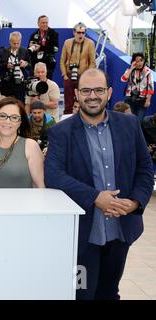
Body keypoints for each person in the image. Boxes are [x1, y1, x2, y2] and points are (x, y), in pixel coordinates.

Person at [44, 68, 154, 300]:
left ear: (109, 92)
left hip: (121, 230)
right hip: (82, 235)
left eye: (98, 90)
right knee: (81, 294)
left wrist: (134, 202)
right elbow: (53, 175)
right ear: (77, 93)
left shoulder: (130, 125)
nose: (92, 95)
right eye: (86, 90)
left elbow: (144, 169)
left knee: (109, 293)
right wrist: (96, 197)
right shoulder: (60, 132)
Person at [0, 97, 44, 188]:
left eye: (14, 117)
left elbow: (40, 186)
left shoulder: (30, 146)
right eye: (2, 116)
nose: (7, 121)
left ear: (20, 122)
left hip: (23, 202)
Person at [60, 22, 96, 114]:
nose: (81, 35)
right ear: (74, 32)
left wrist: (86, 76)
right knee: (68, 103)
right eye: (79, 32)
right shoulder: (67, 42)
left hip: (83, 77)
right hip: (68, 76)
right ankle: (67, 120)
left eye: (83, 33)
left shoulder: (90, 43)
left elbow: (92, 62)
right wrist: (64, 75)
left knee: (83, 101)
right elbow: (62, 60)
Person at [0, 31, 31, 102]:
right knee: (5, 102)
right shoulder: (2, 51)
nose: (16, 45)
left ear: (20, 41)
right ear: (10, 41)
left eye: (18, 43)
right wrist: (6, 65)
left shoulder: (25, 51)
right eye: (14, 43)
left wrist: (25, 64)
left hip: (20, 82)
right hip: (6, 82)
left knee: (20, 103)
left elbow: (31, 66)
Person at [121, 52, 154, 123]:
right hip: (130, 99)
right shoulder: (129, 70)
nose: (140, 63)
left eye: (141, 60)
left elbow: (150, 87)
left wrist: (148, 100)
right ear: (133, 62)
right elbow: (123, 79)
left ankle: (137, 133)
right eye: (137, 61)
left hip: (142, 100)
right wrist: (131, 68)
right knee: (130, 120)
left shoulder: (147, 72)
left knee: (139, 121)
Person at [27, 15, 59, 80]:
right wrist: (31, 47)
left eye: (46, 22)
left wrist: (40, 48)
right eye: (43, 23)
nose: (45, 24)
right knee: (34, 83)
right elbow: (29, 49)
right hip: (35, 64)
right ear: (38, 24)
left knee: (46, 85)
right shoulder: (34, 34)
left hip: (47, 64)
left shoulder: (53, 33)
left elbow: (55, 49)